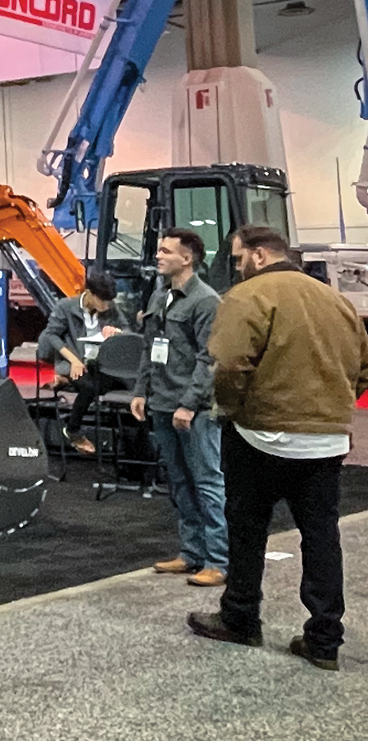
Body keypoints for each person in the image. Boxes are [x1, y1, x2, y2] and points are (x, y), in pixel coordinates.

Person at [186, 226, 368, 669]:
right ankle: (324, 641)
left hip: (259, 434)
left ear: (260, 255)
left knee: (247, 530)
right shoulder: (337, 302)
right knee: (322, 537)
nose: (236, 265)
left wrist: (229, 409)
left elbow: (228, 364)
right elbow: (363, 369)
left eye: (238, 257)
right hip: (325, 439)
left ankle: (240, 620)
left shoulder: (249, 296)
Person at [131, 227, 226, 587]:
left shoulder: (206, 301)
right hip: (161, 403)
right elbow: (149, 347)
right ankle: (191, 553)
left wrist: (189, 404)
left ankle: (218, 560)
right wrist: (141, 390)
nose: (158, 256)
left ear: (187, 259)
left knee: (207, 482)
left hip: (193, 410)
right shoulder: (160, 297)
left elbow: (209, 358)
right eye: (159, 250)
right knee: (180, 482)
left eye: (166, 251)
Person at [36, 270, 127, 456]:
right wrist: (74, 361)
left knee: (118, 382)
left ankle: (133, 445)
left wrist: (117, 331)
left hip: (99, 364)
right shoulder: (66, 307)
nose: (106, 305)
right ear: (90, 294)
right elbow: (51, 335)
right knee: (90, 386)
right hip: (73, 361)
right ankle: (73, 430)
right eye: (102, 300)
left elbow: (126, 329)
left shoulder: (110, 308)